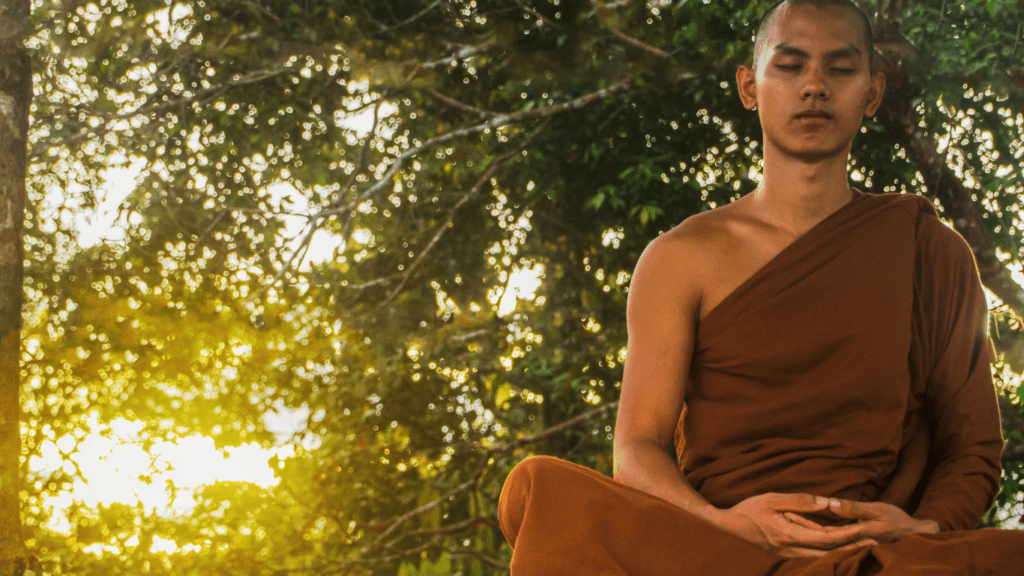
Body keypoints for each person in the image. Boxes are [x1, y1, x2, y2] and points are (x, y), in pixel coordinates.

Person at [496, 1, 1024, 574]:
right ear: (750, 86)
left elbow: (971, 446)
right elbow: (638, 449)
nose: (815, 87)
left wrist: (923, 527)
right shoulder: (681, 257)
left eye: (841, 69)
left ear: (873, 93)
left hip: (874, 552)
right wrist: (729, 525)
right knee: (539, 488)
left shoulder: (928, 250)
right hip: (719, 545)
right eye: (791, 66)